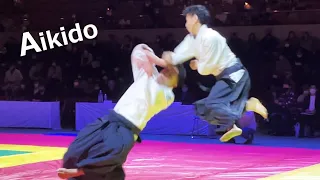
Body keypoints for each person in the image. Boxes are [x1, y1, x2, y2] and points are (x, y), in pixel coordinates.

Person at [57, 44, 186, 180]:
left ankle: (81, 171)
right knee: (75, 152)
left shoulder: (168, 96)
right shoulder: (147, 75)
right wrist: (158, 60)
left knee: (111, 154)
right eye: (167, 69)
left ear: (175, 84)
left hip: (126, 130)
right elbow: (139, 49)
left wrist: (156, 64)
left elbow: (154, 86)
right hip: (108, 121)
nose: (167, 72)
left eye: (172, 73)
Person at [161, 5, 268, 142]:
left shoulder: (211, 37)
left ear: (195, 19)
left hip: (235, 75)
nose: (186, 24)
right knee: (202, 108)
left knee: (213, 104)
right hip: (224, 77)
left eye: (187, 20)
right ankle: (244, 109)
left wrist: (197, 65)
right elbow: (177, 56)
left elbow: (207, 68)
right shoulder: (192, 39)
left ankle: (238, 117)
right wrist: (167, 58)